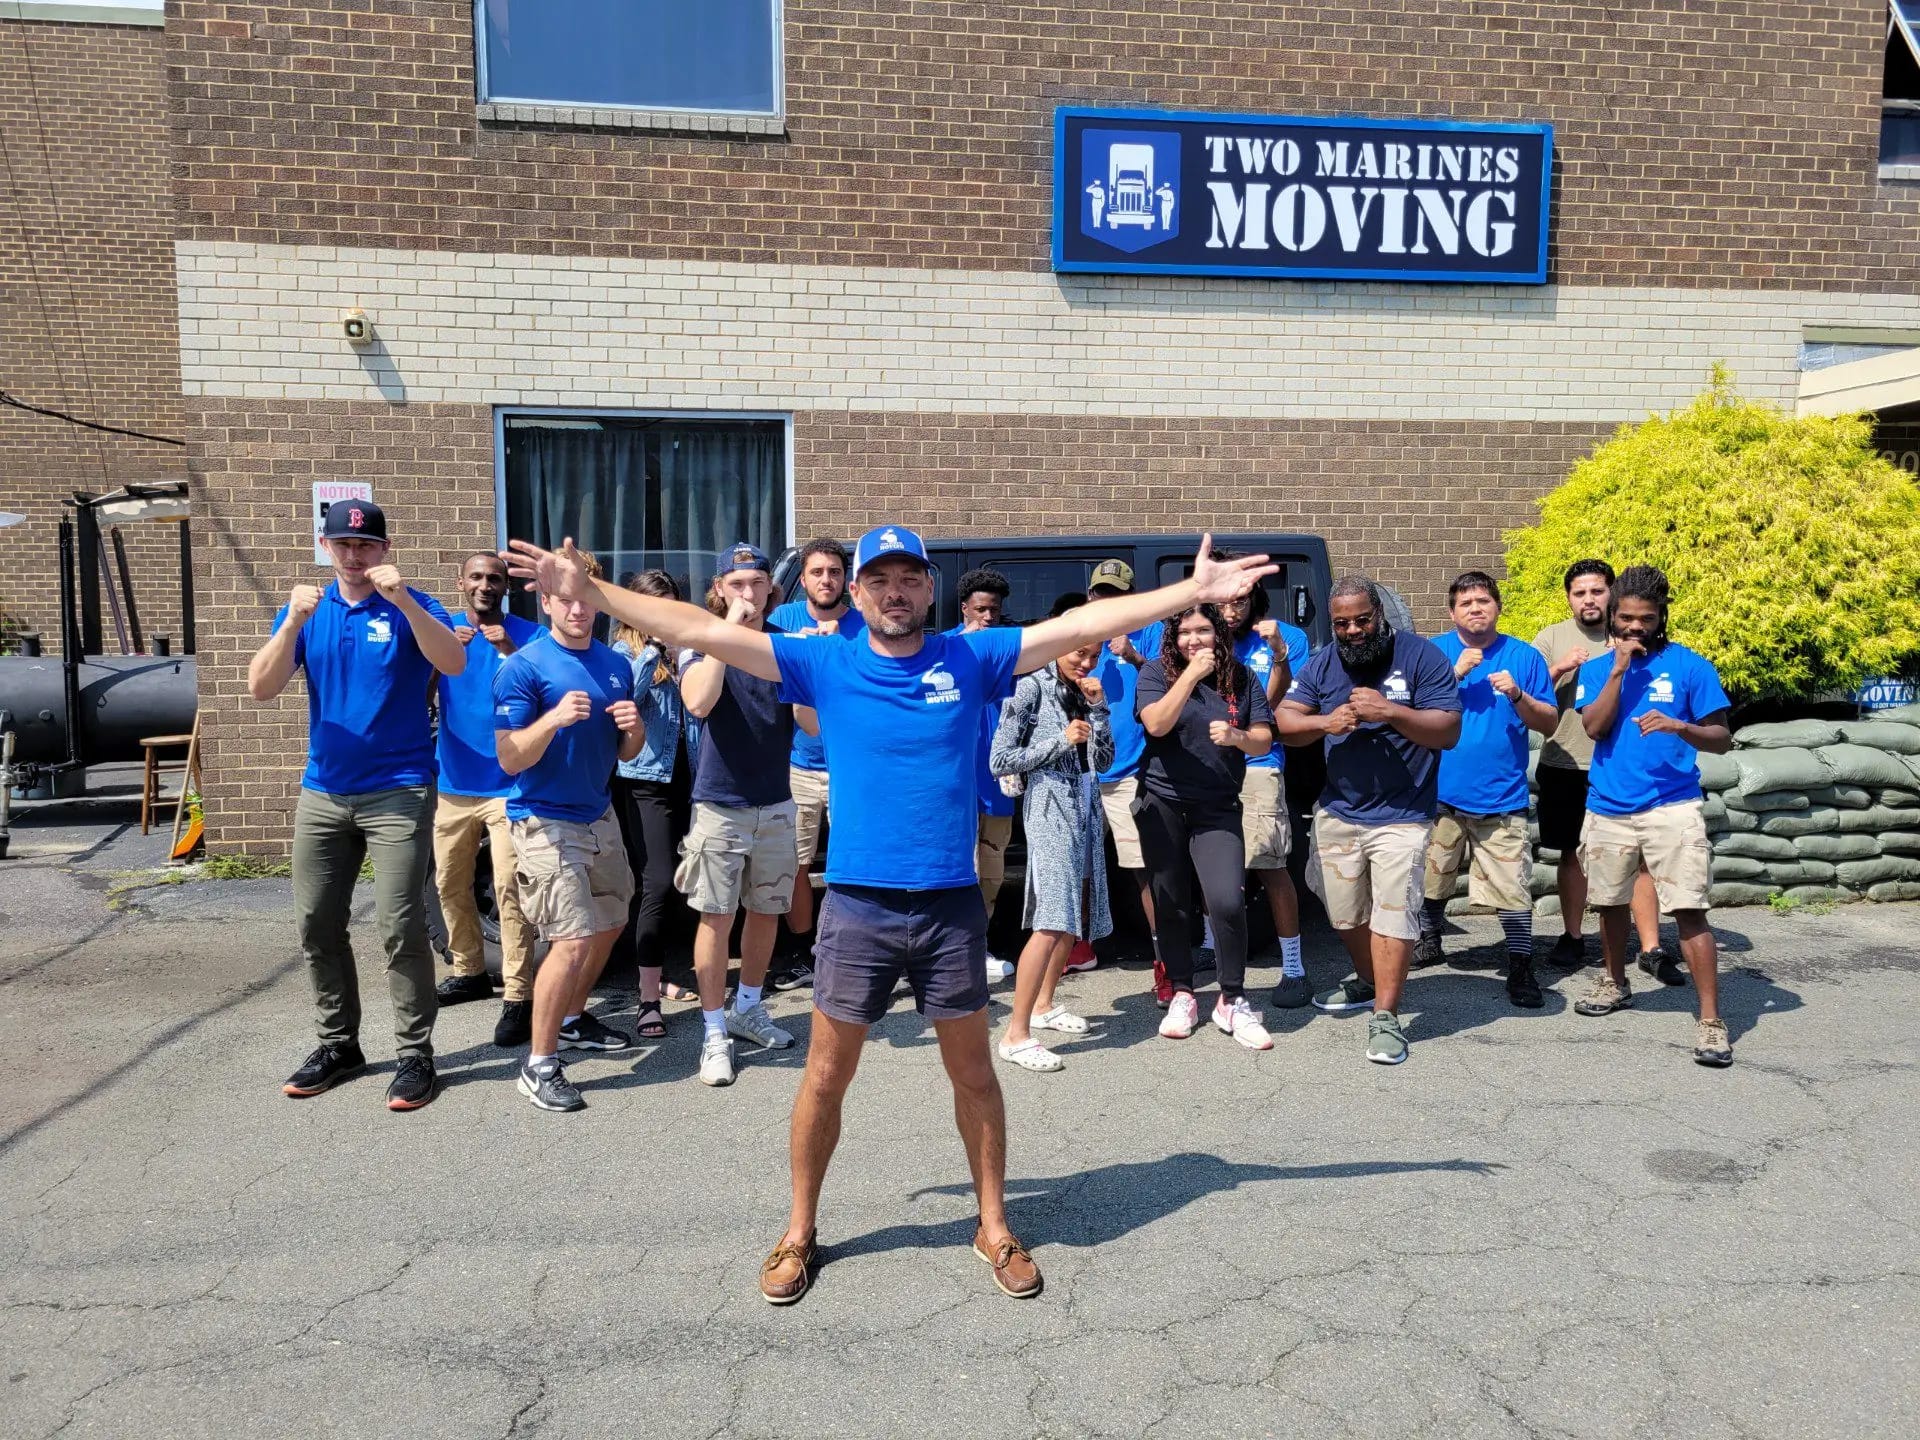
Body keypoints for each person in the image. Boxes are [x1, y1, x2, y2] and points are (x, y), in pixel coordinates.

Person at [504, 525, 1273, 1305]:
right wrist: (592, 592)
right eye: (880, 579)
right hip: (859, 909)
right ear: (857, 591)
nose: (895, 591)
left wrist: (1192, 592)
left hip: (947, 910)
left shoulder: (969, 657)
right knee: (826, 1077)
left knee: (974, 1075)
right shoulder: (823, 660)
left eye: (909, 578)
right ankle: (800, 1230)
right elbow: (696, 629)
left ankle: (994, 1224)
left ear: (928, 589)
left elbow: (1077, 627)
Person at [247, 498, 466, 1111]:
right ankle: (339, 1044)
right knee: (316, 922)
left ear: (385, 550)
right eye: (343, 544)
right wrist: (290, 623)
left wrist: (402, 602)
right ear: (325, 546)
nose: (354, 555)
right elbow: (260, 688)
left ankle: (415, 1054)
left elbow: (452, 660)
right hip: (323, 791)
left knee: (399, 924)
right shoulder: (308, 612)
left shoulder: (413, 604)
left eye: (366, 545)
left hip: (398, 787)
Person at [1274, 574, 1461, 1066]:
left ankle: (1386, 1015)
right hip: (1340, 811)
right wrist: (1324, 722)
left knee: (1393, 914)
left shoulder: (1421, 657)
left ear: (1379, 615)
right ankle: (1367, 979)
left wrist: (1391, 712)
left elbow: (1447, 730)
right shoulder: (1323, 663)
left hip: (1404, 814)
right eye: (1342, 623)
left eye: (1362, 620)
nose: (1353, 631)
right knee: (1343, 913)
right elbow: (1286, 723)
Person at [494, 552, 646, 1111]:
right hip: (542, 816)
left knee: (610, 922)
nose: (579, 609)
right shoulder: (523, 667)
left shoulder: (614, 664)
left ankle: (575, 1017)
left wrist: (635, 729)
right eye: (567, 600)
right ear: (547, 603)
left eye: (587, 598)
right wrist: (553, 719)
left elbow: (627, 752)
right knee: (573, 937)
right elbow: (509, 758)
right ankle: (539, 1064)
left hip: (597, 813)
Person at [1571, 565, 1734, 1066]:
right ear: (1612, 618)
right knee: (1610, 903)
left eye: (1645, 619)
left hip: (1672, 806)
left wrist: (1680, 725)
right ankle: (1614, 982)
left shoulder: (1691, 667)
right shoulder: (1598, 669)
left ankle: (1710, 1022)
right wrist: (1618, 669)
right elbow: (1594, 728)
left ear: (1661, 617)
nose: (1634, 628)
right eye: (1625, 619)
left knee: (1688, 909)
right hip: (1608, 807)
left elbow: (1723, 739)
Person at [677, 542, 806, 1087]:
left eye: (756, 584)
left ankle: (748, 1007)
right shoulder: (700, 641)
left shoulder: (785, 647)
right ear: (719, 590)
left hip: (775, 800)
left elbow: (812, 724)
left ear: (771, 591)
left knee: (766, 910)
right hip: (720, 804)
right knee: (716, 915)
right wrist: (727, 635)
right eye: (737, 585)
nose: (748, 594)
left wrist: (811, 671)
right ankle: (712, 1031)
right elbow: (698, 703)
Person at [1135, 604, 1277, 1048]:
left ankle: (1231, 999)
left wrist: (1238, 738)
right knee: (1171, 901)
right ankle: (1182, 991)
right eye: (1185, 632)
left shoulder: (1241, 676)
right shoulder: (1157, 672)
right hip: (1163, 803)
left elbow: (1265, 736)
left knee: (1226, 901)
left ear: (1219, 632)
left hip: (1217, 806)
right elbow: (1156, 723)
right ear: (1172, 638)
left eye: (1203, 630)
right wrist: (1191, 676)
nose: (1194, 639)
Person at [1415, 572, 1558, 1008]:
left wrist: (1517, 695)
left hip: (1501, 795)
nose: (1475, 608)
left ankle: (1519, 964)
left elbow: (1549, 723)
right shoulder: (1433, 653)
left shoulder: (1524, 656)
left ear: (1497, 606)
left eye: (1483, 600)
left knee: (1512, 886)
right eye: (1465, 603)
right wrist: (1452, 677)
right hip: (1439, 791)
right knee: (1431, 875)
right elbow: (1407, 714)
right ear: (1451, 611)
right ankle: (1429, 938)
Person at [1532, 560, 1672, 979]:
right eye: (1580, 593)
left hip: (1623, 765)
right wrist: (1562, 668)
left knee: (1639, 857)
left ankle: (1650, 946)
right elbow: (1530, 698)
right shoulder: (1551, 638)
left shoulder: (1637, 634)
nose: (1589, 599)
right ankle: (1573, 936)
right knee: (1572, 853)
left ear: (1612, 594)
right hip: (1565, 762)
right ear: (1569, 598)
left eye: (1597, 591)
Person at [430, 553, 543, 1048]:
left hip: (508, 786)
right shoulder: (442, 631)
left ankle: (518, 995)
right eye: (476, 577)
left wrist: (511, 649)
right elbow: (416, 694)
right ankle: (469, 970)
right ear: (462, 583)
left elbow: (546, 690)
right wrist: (442, 656)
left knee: (509, 892)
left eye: (494, 578)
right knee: (450, 884)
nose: (485, 585)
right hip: (453, 782)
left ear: (506, 588)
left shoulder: (529, 634)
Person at [988, 630, 1113, 1072]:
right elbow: (999, 759)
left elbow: (1106, 759)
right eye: (1081, 653)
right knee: (1051, 919)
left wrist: (1099, 711)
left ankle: (1044, 1005)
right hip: (1048, 808)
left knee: (1071, 916)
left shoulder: (1086, 690)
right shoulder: (1030, 686)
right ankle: (1015, 1033)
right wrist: (1061, 739)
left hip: (1085, 805)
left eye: (1095, 656)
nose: (1087, 663)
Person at [768, 538, 865, 991]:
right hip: (799, 765)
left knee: (857, 860)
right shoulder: (783, 622)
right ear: (802, 579)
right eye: (817, 572)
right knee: (796, 864)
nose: (826, 580)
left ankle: (858, 947)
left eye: (834, 571)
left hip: (855, 765)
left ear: (846, 578)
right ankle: (801, 953)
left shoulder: (865, 626)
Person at [1218, 574, 1313, 1009]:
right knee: (1213, 866)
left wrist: (1277, 655)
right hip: (1212, 768)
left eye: (1240, 602)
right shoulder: (1210, 640)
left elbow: (1273, 710)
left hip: (1259, 766)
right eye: (1224, 603)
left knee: (1270, 866)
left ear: (1256, 599)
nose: (1231, 610)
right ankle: (1209, 948)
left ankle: (1293, 968)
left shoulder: (1287, 637)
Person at [611, 570, 696, 1041]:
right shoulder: (625, 653)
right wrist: (653, 652)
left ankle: (674, 974)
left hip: (692, 774)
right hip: (646, 778)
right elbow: (626, 701)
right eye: (652, 608)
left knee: (692, 882)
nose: (661, 618)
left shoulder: (685, 648)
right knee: (656, 881)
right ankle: (647, 996)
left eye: (669, 607)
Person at [954, 568, 1018, 981]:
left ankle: (979, 948)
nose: (988, 617)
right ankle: (951, 951)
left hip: (997, 778)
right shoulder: (944, 648)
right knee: (958, 871)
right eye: (981, 609)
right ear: (965, 609)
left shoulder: (1009, 653)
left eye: (994, 610)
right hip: (955, 780)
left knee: (992, 872)